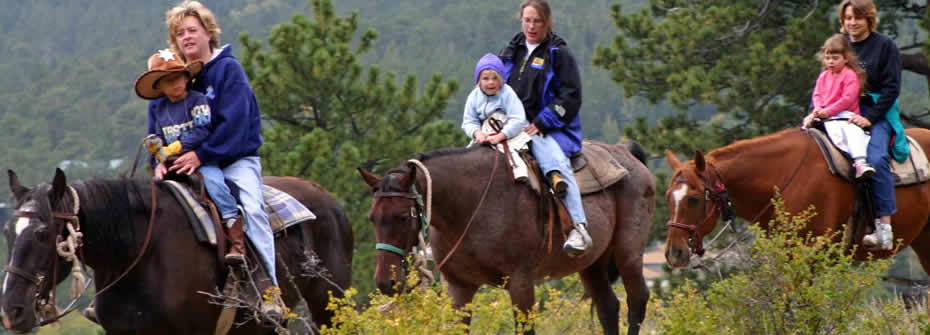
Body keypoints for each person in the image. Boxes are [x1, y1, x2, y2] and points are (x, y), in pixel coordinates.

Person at [163, 0, 286, 319]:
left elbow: (236, 125)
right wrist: (160, 161)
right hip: (193, 160)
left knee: (253, 208)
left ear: (208, 33)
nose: (186, 37)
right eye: (179, 34)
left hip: (234, 158)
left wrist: (201, 155)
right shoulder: (178, 78)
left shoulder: (228, 70)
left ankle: (270, 290)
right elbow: (166, 127)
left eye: (192, 30)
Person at [499, 0, 591, 257]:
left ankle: (578, 228)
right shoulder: (509, 51)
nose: (531, 26)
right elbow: (493, 85)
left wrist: (541, 123)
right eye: (527, 20)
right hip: (508, 125)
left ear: (547, 22)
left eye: (537, 21)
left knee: (555, 163)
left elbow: (571, 96)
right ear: (521, 20)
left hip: (546, 128)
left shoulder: (558, 54)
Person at [135, 49, 249, 243]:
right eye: (168, 80)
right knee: (151, 194)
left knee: (215, 184)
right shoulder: (159, 109)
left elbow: (202, 130)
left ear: (187, 77)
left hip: (199, 160)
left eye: (179, 77)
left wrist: (176, 147)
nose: (176, 83)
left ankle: (234, 229)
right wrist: (159, 160)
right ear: (159, 86)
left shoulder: (198, 100)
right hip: (170, 163)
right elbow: (157, 137)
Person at [839, 0, 904, 251]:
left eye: (857, 17)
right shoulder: (840, 45)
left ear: (869, 19)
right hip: (843, 111)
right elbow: (827, 79)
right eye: (847, 18)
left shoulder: (884, 46)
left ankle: (884, 228)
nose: (852, 23)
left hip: (876, 111)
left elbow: (891, 88)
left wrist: (871, 118)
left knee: (875, 159)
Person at [802, 34, 874, 180]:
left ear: (846, 58)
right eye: (828, 58)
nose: (831, 62)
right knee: (806, 130)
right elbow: (817, 94)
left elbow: (847, 99)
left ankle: (860, 163)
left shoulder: (850, 75)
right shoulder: (823, 76)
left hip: (845, 115)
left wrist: (828, 111)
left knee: (853, 133)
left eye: (835, 58)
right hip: (825, 115)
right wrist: (818, 109)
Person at [462, 53, 528, 145]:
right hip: (484, 135)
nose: (491, 82)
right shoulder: (474, 96)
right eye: (485, 78)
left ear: (501, 79)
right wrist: (477, 133)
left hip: (510, 134)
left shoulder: (507, 93)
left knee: (539, 153)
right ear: (479, 80)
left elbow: (518, 119)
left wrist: (500, 136)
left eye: (495, 78)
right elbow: (469, 121)